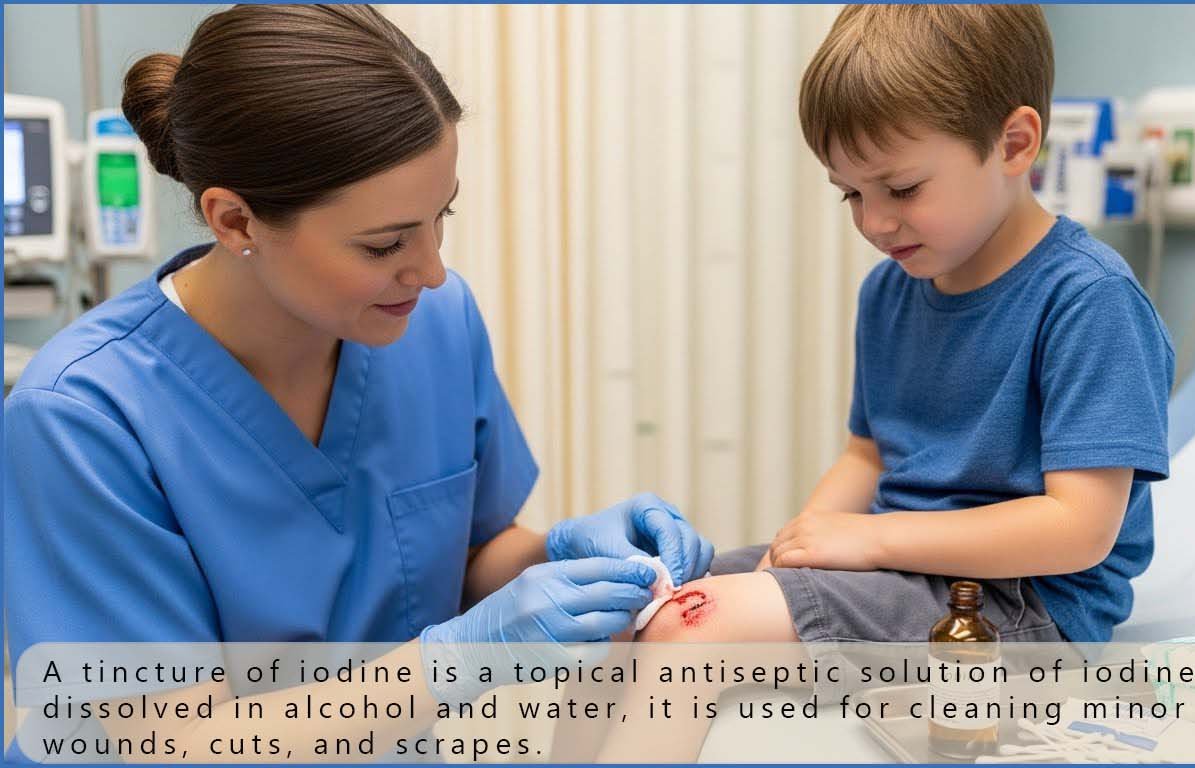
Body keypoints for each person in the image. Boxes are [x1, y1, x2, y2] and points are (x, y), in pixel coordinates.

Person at [2, 4, 711, 761]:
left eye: (442, 216)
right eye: (384, 244)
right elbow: (173, 741)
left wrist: (561, 556)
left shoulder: (433, 322)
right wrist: (462, 658)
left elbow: (463, 556)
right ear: (235, 221)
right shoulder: (83, 416)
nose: (431, 269)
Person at [582, 5, 1174, 762]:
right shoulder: (891, 290)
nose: (873, 222)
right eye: (849, 193)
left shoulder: (1086, 300)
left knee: (691, 629)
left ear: (1013, 143)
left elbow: (1078, 530)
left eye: (899, 187)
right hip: (908, 570)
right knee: (631, 611)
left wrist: (867, 539)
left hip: (1026, 610)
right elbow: (867, 455)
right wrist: (796, 550)